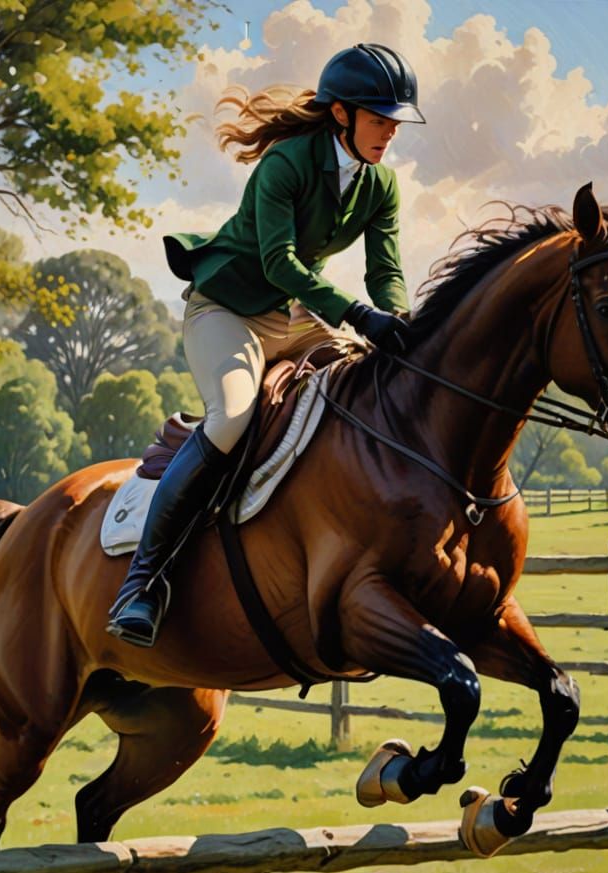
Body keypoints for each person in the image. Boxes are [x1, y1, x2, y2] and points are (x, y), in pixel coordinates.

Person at [107, 42, 426, 647]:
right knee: (231, 418)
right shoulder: (286, 163)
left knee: (371, 384)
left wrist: (397, 318)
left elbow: (386, 269)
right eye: (380, 119)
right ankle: (142, 584)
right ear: (342, 114)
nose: (390, 133)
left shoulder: (381, 184)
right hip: (228, 309)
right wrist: (358, 314)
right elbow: (279, 263)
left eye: (396, 123)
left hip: (297, 313)